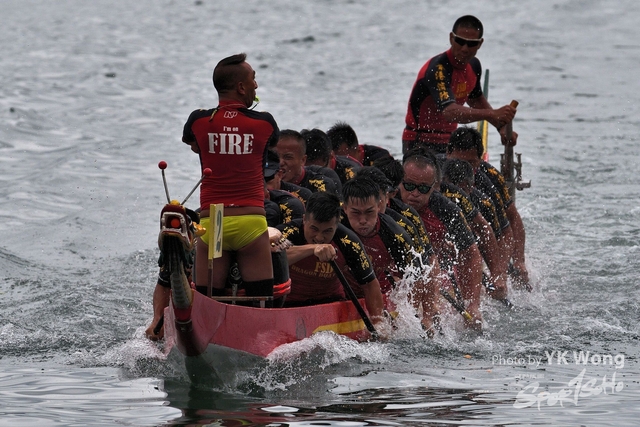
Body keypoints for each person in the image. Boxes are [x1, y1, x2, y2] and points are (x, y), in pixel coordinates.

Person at [181, 53, 278, 304]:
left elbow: (194, 144)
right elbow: (269, 145)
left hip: (214, 222)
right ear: (241, 87)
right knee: (260, 300)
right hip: (250, 221)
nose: (256, 85)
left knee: (208, 301)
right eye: (253, 79)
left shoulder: (198, 120)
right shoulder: (265, 123)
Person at [401, 15, 518, 154]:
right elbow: (449, 113)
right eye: (460, 41)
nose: (464, 49)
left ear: (480, 44)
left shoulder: (474, 65)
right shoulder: (438, 69)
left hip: (450, 142)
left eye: (471, 44)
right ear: (451, 38)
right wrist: (492, 114)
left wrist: (501, 127)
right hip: (419, 142)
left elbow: (476, 100)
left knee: (480, 169)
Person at [341, 175, 442, 333]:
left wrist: (421, 317)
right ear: (345, 208)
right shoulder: (335, 224)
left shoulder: (396, 234)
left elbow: (421, 274)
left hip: (372, 290)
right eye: (355, 213)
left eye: (369, 212)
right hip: (338, 291)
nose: (363, 220)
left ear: (379, 205)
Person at [276, 191, 388, 335]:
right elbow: (272, 258)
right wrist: (312, 248)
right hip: (289, 305)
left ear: (336, 225)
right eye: (314, 229)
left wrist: (378, 323)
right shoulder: (286, 233)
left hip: (331, 304)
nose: (319, 237)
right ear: (304, 220)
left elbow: (370, 284)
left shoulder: (348, 241)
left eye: (327, 231)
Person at [400, 149, 484, 329]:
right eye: (408, 186)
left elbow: (471, 254)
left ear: (434, 187)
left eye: (423, 189)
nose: (414, 193)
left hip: (432, 267)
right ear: (399, 181)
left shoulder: (446, 208)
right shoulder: (386, 201)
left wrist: (473, 304)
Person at [446, 127, 530, 288]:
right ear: (448, 154)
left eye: (470, 163)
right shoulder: (434, 171)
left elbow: (507, 228)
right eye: (458, 161)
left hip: (477, 234)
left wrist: (503, 271)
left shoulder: (490, 180)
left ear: (480, 160)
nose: (463, 169)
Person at [275, 129, 341, 198]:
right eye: (275, 156)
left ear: (303, 160)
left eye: (288, 157)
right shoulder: (267, 181)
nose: (280, 162)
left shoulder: (321, 185)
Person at [327, 121, 392, 166]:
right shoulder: (327, 162)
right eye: (336, 158)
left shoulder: (380, 157)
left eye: (345, 158)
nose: (340, 162)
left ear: (358, 150)